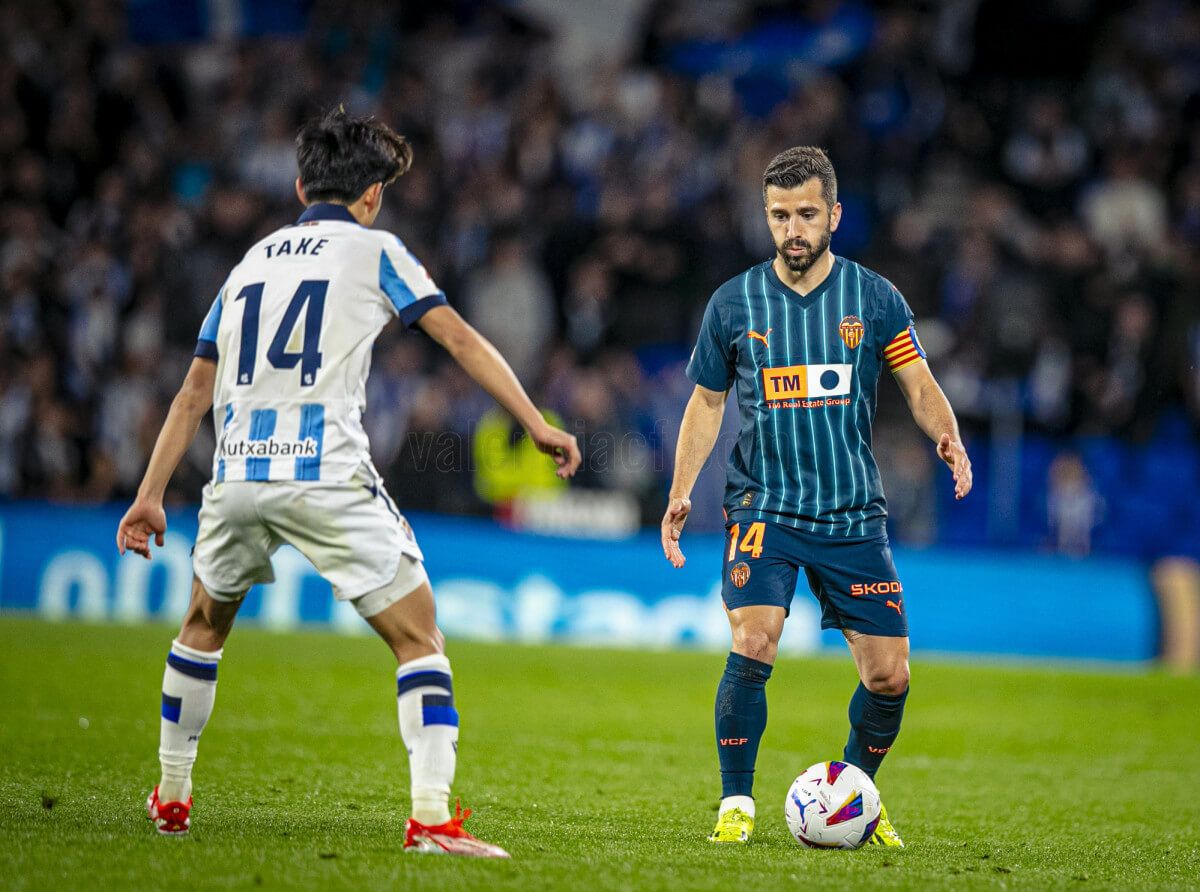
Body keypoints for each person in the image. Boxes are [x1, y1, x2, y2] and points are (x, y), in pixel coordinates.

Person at [116, 108, 581, 857]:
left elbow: (191, 393)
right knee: (419, 638)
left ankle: (171, 799)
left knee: (201, 629)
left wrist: (148, 493)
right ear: (371, 197)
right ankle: (431, 820)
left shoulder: (248, 264)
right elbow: (456, 334)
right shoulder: (377, 249)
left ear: (301, 186)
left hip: (234, 475)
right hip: (325, 471)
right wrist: (534, 421)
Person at [661, 146, 972, 847]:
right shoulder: (734, 302)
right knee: (754, 638)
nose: (792, 229)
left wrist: (946, 436)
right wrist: (682, 491)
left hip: (851, 512)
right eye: (778, 216)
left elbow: (917, 383)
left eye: (805, 214)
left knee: (889, 677)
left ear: (833, 214)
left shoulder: (874, 297)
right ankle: (735, 803)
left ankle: (855, 791)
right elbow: (707, 404)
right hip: (763, 507)